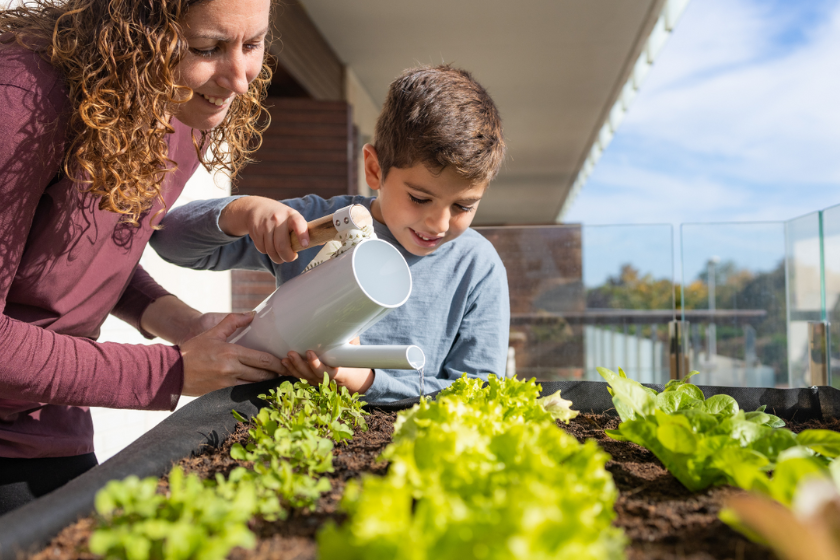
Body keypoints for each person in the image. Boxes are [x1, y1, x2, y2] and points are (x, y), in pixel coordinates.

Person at [0, 0, 305, 514]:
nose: (239, 81)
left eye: (251, 45)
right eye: (206, 48)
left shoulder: (180, 108)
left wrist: (188, 325)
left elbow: (82, 254)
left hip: (49, 428)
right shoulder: (22, 101)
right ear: (133, 32)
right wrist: (170, 373)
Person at [150, 65, 510, 401]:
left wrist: (367, 382)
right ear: (374, 169)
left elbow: (479, 393)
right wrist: (242, 212)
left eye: (463, 206)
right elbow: (168, 241)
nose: (440, 224)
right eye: (420, 198)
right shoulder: (321, 224)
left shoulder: (477, 266)